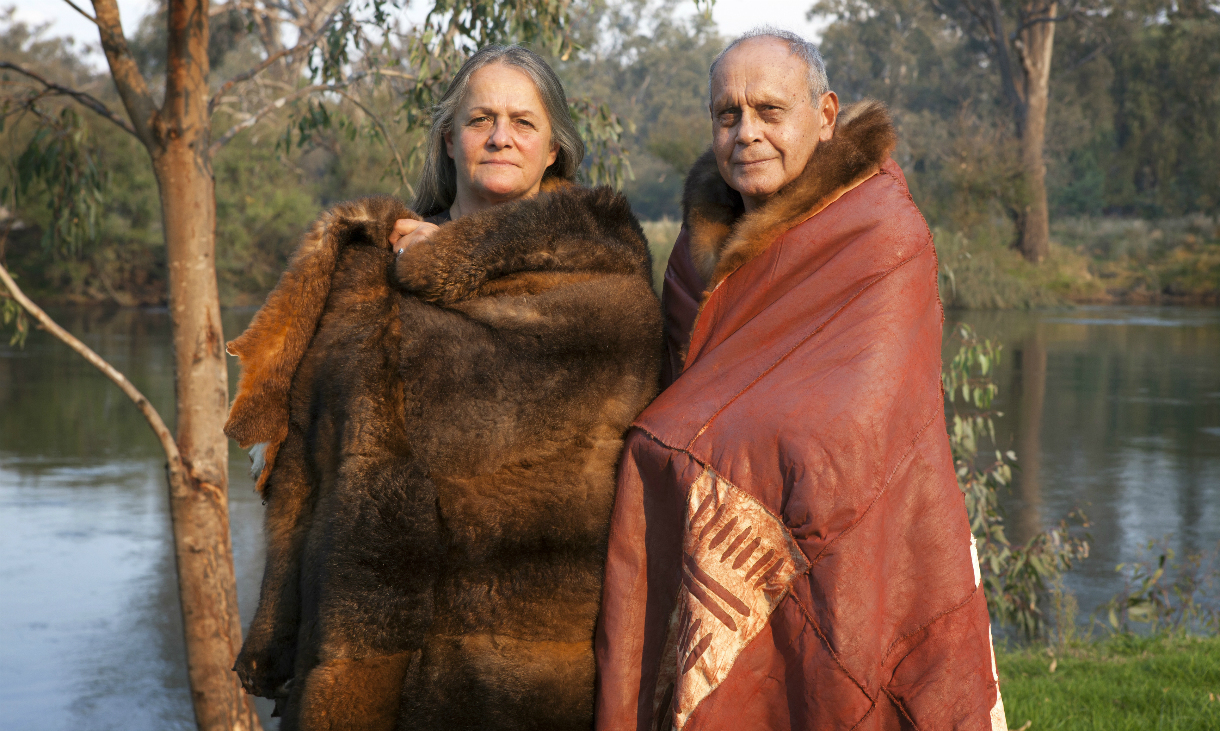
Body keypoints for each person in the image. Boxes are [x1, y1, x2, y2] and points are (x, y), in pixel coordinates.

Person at [224, 45, 662, 730]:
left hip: (519, 669)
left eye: (523, 121)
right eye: (480, 118)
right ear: (449, 140)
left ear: (553, 149)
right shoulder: (366, 275)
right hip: (355, 654)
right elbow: (309, 466)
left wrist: (450, 263)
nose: (500, 136)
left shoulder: (604, 290)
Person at [595, 28, 1007, 731]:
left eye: (769, 111)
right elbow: (681, 389)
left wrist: (686, 446)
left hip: (856, 524)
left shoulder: (882, 232)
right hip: (719, 531)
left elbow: (848, 423)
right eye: (728, 115)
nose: (746, 133)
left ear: (825, 115)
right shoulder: (696, 255)